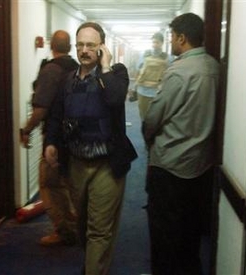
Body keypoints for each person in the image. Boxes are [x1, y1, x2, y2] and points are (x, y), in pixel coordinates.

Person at [44, 22, 137, 275]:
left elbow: (116, 100)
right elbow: (56, 115)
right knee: (84, 225)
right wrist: (51, 142)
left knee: (99, 229)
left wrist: (105, 67)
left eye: (91, 45)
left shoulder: (116, 74)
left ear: (101, 48)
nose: (84, 50)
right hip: (76, 164)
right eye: (80, 45)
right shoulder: (67, 80)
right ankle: (93, 265)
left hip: (107, 165)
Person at [142, 13, 220, 275]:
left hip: (171, 166)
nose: (170, 42)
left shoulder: (178, 72)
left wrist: (147, 138)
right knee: (190, 233)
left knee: (164, 236)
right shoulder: (214, 67)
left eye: (172, 37)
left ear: (182, 38)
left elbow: (153, 117)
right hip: (202, 165)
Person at [20, 30, 79, 246]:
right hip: (77, 136)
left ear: (50, 46)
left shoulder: (51, 70)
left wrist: (26, 130)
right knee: (69, 183)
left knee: (50, 184)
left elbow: (41, 108)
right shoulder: (77, 67)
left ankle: (64, 232)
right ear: (71, 47)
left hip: (55, 137)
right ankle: (77, 225)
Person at [135, 32, 173, 120]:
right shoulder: (144, 55)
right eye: (153, 42)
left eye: (157, 42)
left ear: (162, 43)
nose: (154, 45)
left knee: (157, 117)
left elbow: (170, 74)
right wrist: (135, 87)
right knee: (143, 115)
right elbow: (138, 70)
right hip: (142, 90)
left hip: (159, 91)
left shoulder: (168, 58)